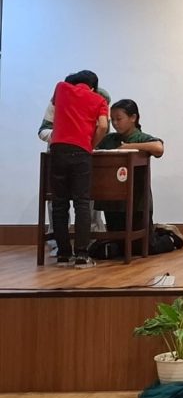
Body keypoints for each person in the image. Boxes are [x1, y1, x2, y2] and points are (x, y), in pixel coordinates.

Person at [47, 70, 109, 268]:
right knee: (82, 203)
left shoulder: (61, 88)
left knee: (59, 203)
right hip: (81, 151)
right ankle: (82, 254)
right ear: (93, 87)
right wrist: (90, 145)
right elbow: (102, 126)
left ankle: (63, 254)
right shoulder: (99, 100)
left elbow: (53, 110)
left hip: (58, 149)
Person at [94, 99, 164, 256]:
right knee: (119, 246)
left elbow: (158, 148)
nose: (115, 123)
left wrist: (128, 147)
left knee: (144, 247)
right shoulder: (109, 139)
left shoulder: (140, 137)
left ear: (133, 118)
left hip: (137, 200)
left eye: (119, 119)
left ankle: (169, 235)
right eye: (112, 120)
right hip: (112, 200)